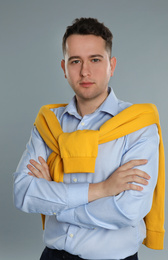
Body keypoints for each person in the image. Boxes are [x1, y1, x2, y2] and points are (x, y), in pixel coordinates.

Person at [13, 18, 164, 260]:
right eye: (75, 61)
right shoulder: (48, 124)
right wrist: (103, 189)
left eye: (95, 59)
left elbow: (128, 210)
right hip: (52, 255)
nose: (85, 71)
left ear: (111, 65)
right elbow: (23, 193)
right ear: (64, 68)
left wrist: (55, 203)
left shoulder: (138, 125)